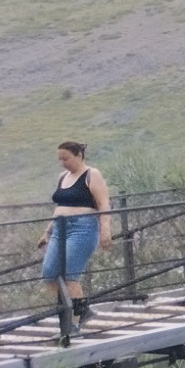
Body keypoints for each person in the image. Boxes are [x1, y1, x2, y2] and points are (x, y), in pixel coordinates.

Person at [38, 141, 111, 339]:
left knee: (70, 275)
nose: (62, 163)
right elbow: (60, 206)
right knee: (49, 273)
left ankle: (73, 322)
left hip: (82, 227)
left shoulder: (91, 174)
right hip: (60, 228)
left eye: (66, 158)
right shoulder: (63, 177)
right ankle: (80, 309)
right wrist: (47, 231)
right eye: (60, 159)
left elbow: (104, 203)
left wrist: (105, 229)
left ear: (78, 155)